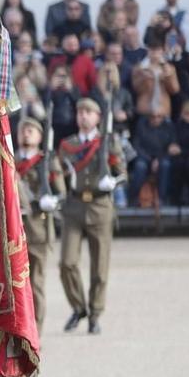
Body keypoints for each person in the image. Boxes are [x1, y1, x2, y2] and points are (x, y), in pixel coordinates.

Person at [56, 97, 125, 334]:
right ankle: (78, 307)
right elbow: (59, 174)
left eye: (88, 112)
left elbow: (122, 172)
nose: (83, 115)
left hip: (99, 206)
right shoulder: (67, 145)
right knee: (67, 262)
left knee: (99, 266)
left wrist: (113, 181)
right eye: (80, 111)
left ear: (98, 117)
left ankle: (95, 313)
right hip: (74, 205)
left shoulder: (108, 141)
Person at [14, 116, 59, 330]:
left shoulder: (46, 161)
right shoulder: (10, 161)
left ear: (41, 137)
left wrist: (52, 199)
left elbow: (61, 192)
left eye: (31, 130)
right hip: (13, 232)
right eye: (23, 129)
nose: (26, 133)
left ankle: (35, 331)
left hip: (38, 230)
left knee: (36, 284)